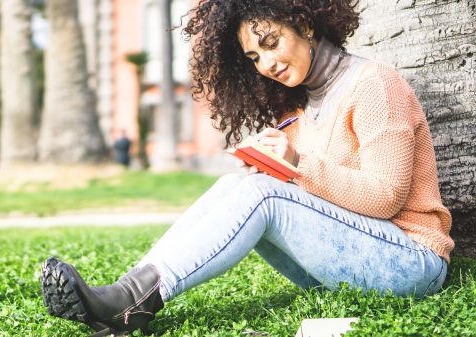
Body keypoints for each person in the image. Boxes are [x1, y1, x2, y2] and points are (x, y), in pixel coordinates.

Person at [40, 1, 454, 336]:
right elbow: (311, 195)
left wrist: (295, 165)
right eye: (255, 56)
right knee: (234, 185)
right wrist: (272, 168)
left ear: (306, 25)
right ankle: (129, 294)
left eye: (272, 43)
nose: (266, 63)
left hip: (411, 261)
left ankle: (130, 303)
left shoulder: (374, 83)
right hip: (348, 262)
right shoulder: (298, 106)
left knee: (263, 194)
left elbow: (386, 197)